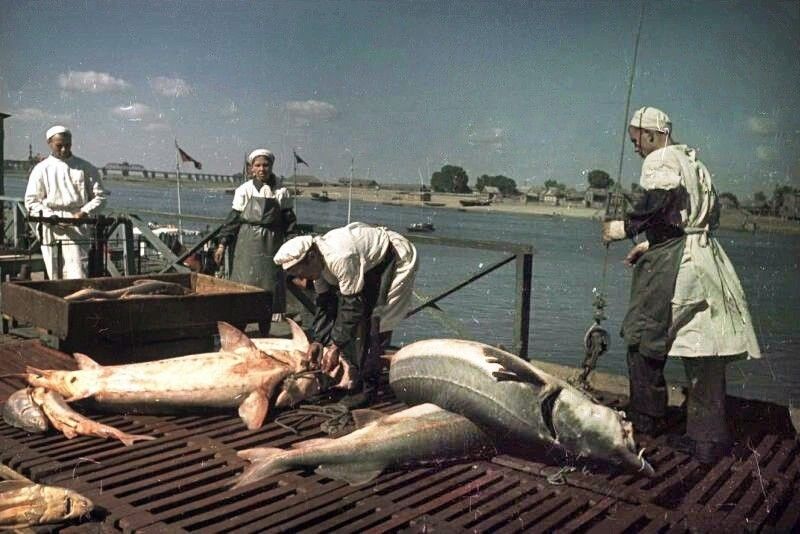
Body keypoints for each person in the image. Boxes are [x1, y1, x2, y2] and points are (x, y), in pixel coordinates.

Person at [602, 106, 760, 464]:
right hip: (709, 260)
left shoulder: (659, 159)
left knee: (642, 337)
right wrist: (650, 243)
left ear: (653, 134)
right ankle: (707, 438)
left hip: (681, 265)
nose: (636, 148)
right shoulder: (695, 164)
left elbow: (660, 201)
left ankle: (647, 421)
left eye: (637, 140)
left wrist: (623, 229)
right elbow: (695, 219)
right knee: (705, 353)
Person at [273, 222, 419, 406]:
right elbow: (325, 304)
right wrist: (318, 340)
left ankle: (367, 389)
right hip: (367, 264)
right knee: (353, 319)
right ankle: (352, 376)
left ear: (311, 256)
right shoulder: (317, 265)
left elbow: (352, 308)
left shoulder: (340, 258)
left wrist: (335, 346)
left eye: (302, 273)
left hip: (395, 258)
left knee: (376, 321)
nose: (302, 280)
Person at [214, 149, 296, 335]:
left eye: (265, 165)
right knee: (243, 290)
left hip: (272, 246)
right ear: (251, 168)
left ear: (271, 166)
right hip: (246, 246)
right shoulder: (244, 190)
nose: (261, 169)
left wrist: (292, 245)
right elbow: (233, 220)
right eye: (257, 165)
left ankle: (264, 333)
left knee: (268, 292)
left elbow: (289, 222)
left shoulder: (282, 191)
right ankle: (240, 332)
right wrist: (222, 244)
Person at [24, 125, 108, 280]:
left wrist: (84, 212)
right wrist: (51, 216)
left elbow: (100, 197)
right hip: (51, 225)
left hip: (78, 223)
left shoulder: (85, 167)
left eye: (67, 145)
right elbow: (31, 200)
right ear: (49, 143)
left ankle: (78, 295)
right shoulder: (41, 169)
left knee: (78, 271)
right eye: (59, 145)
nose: (64, 149)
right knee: (55, 271)